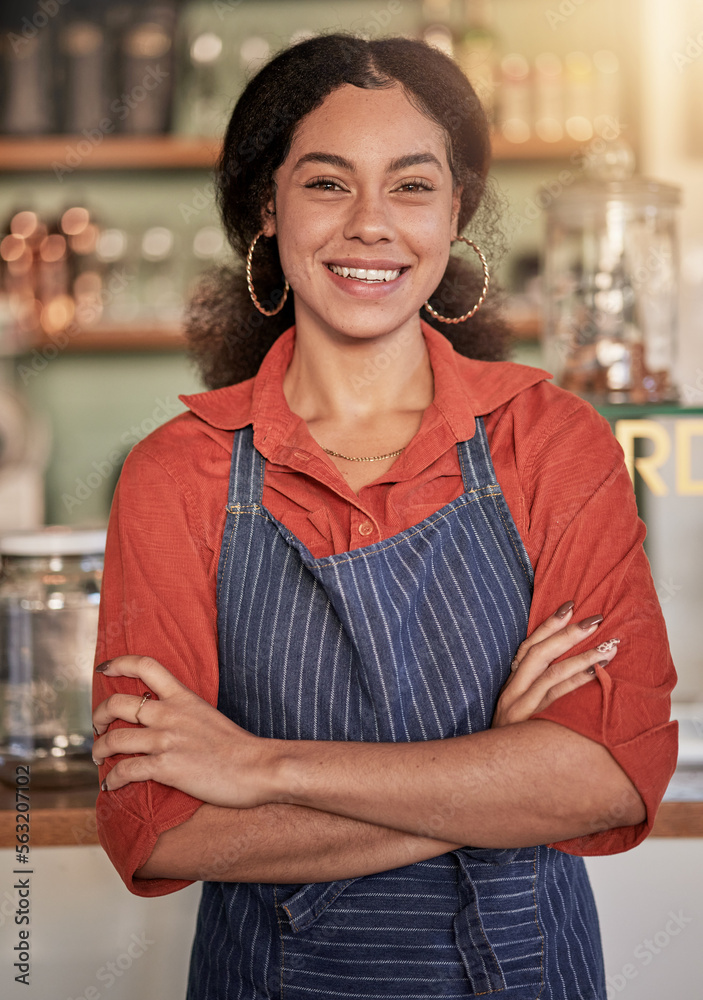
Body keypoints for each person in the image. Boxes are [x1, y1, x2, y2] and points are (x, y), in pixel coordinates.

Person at [91, 33, 677, 1000]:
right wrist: (501, 777)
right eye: (327, 184)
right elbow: (158, 828)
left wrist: (258, 766)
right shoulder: (176, 473)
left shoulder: (550, 440)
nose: (372, 224)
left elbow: (614, 779)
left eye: (411, 186)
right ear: (266, 211)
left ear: (456, 214)